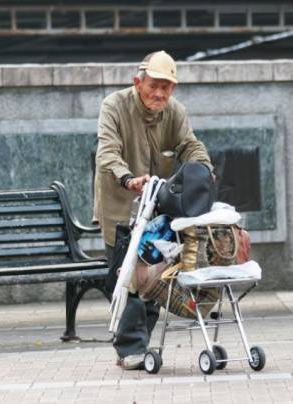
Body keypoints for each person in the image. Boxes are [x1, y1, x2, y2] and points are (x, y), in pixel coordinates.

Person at [93, 50, 213, 370]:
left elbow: (190, 145)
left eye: (168, 87)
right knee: (127, 276)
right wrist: (129, 179)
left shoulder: (175, 112)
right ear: (138, 82)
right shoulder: (113, 106)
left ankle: (139, 344)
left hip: (158, 213)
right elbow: (107, 154)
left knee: (155, 276)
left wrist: (203, 170)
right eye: (154, 86)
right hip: (120, 208)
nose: (160, 94)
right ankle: (130, 347)